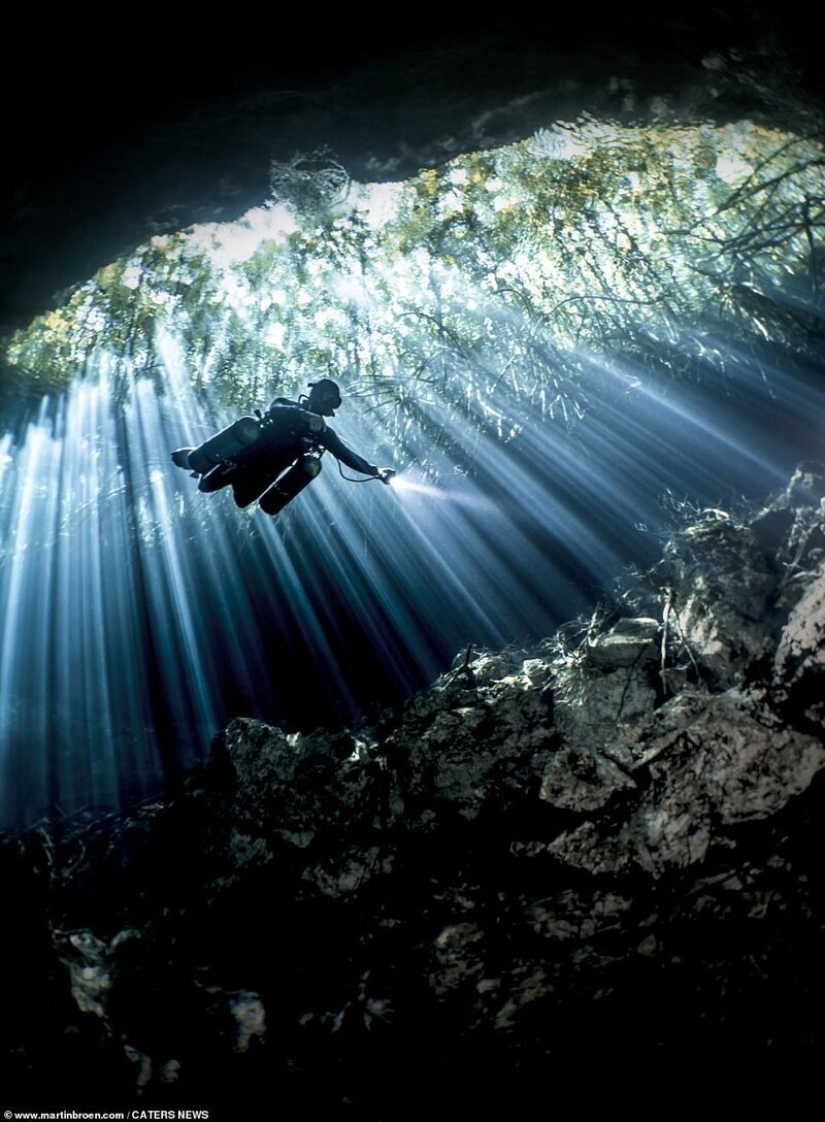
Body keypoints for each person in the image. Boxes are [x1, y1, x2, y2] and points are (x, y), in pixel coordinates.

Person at [171, 378, 394, 515]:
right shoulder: (287, 406)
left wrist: (375, 471)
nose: (326, 402)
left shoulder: (323, 434)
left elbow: (346, 455)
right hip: (242, 456)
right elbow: (276, 407)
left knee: (241, 501)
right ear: (314, 394)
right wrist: (303, 414)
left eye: (331, 400)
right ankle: (195, 455)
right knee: (206, 485)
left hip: (265, 474)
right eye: (325, 395)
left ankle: (203, 461)